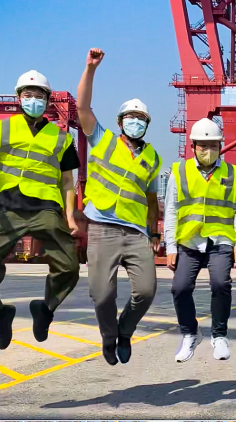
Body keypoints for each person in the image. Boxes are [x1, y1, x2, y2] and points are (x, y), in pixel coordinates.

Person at [0, 69, 81, 350]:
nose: (33, 99)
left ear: (48, 100)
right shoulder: (1, 128)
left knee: (69, 267)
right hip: (7, 210)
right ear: (19, 98)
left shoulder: (61, 138)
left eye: (39, 95)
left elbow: (68, 181)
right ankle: (0, 313)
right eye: (28, 95)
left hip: (46, 209)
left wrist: (70, 216)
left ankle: (45, 309)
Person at [77, 48, 162, 365]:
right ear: (120, 121)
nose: (135, 123)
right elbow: (82, 106)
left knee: (147, 290)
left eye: (141, 119)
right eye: (131, 118)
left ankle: (125, 330)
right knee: (102, 295)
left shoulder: (153, 158)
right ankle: (109, 337)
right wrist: (90, 69)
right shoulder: (102, 139)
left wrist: (154, 235)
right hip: (101, 228)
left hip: (136, 233)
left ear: (147, 125)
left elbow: (152, 200)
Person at [164, 117, 236, 363]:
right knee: (179, 288)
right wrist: (170, 246)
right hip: (189, 243)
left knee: (221, 283)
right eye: (203, 145)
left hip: (220, 241)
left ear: (220, 146)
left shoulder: (232, 173)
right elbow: (171, 209)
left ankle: (219, 334)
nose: (208, 150)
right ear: (193, 146)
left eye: (213, 145)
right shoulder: (179, 172)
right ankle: (190, 333)